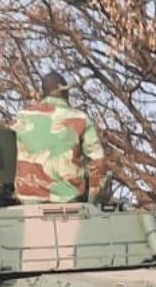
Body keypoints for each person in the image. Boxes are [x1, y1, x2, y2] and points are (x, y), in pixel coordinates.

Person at [14, 71, 108, 204]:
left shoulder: (22, 117)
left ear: (43, 93)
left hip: (27, 203)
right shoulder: (80, 119)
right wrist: (93, 202)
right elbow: (97, 162)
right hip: (69, 202)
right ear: (63, 92)